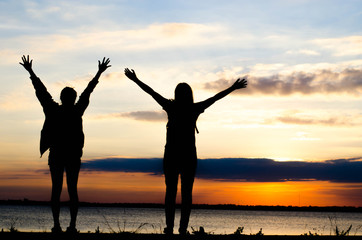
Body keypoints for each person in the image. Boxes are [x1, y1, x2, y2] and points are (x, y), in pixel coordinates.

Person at [124, 68, 247, 235]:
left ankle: (174, 228)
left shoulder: (174, 106)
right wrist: (232, 87)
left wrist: (136, 80)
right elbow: (214, 98)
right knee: (181, 193)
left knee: (174, 192)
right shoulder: (188, 108)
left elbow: (152, 93)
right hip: (183, 155)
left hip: (177, 155)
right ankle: (177, 228)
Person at [20, 55, 111, 233]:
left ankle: (60, 225)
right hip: (68, 155)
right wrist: (99, 73)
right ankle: (69, 226)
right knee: (71, 190)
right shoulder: (74, 111)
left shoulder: (57, 110)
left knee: (59, 190)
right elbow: (86, 92)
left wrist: (31, 72)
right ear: (72, 98)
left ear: (62, 98)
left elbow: (42, 92)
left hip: (62, 154)